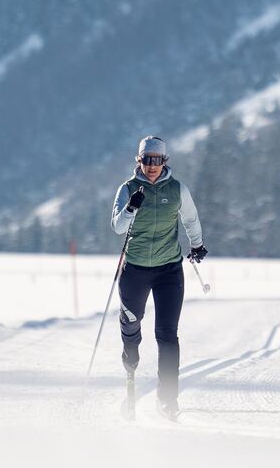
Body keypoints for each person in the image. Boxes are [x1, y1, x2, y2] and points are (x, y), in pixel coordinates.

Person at [111, 136, 208, 420]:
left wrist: (197, 245)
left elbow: (190, 219)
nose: (151, 166)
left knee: (167, 336)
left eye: (157, 160)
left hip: (169, 270)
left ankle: (168, 400)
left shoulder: (177, 189)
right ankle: (130, 355)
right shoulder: (127, 189)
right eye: (146, 160)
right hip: (135, 269)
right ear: (138, 161)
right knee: (131, 325)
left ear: (164, 161)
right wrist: (131, 207)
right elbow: (117, 227)